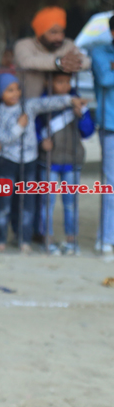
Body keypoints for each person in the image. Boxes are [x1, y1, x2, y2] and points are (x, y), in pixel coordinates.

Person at [0, 73, 83, 253]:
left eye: (17, 89)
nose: (15, 93)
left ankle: (24, 239)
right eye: (9, 90)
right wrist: (19, 127)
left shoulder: (28, 106)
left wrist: (70, 100)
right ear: (0, 93)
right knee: (3, 203)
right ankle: (0, 239)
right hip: (7, 161)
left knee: (28, 204)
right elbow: (0, 139)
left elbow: (47, 103)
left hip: (29, 161)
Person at [35, 71, 94, 255]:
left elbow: (88, 131)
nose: (64, 86)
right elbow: (35, 126)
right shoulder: (43, 103)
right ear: (49, 82)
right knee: (47, 203)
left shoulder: (78, 102)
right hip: (49, 161)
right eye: (59, 82)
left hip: (72, 160)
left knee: (71, 204)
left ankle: (71, 240)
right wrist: (40, 141)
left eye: (67, 82)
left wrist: (81, 116)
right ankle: (48, 240)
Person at [13, 6, 91, 101]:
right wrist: (58, 63)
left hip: (63, 105)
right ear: (40, 33)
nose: (59, 37)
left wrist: (75, 63)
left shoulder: (67, 44)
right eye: (53, 32)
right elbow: (26, 61)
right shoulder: (24, 44)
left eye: (62, 32)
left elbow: (86, 61)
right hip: (29, 104)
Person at [90, 18, 114, 262]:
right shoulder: (99, 52)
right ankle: (107, 240)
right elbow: (106, 79)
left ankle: (104, 236)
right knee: (111, 185)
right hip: (110, 126)